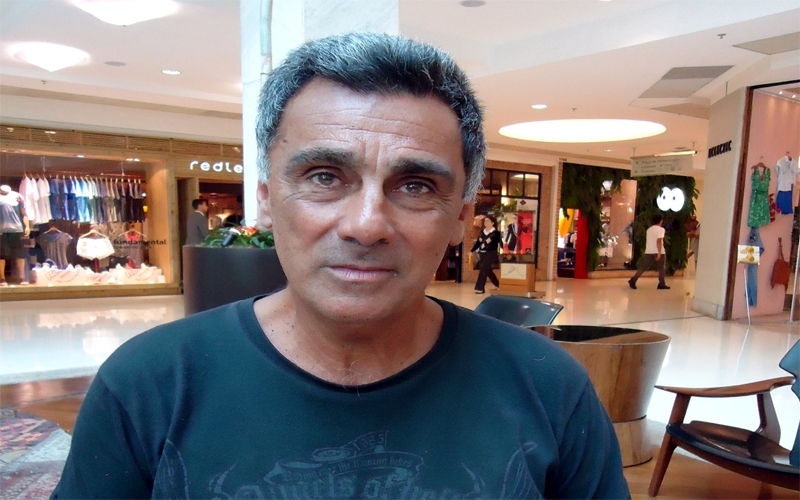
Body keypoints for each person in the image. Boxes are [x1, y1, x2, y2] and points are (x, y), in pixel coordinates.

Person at [52, 33, 629, 499]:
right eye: (325, 177)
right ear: (266, 200)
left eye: (416, 185)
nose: (366, 224)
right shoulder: (149, 384)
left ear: (460, 218)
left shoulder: (549, 388)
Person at [629, 214, 670, 290]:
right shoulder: (661, 230)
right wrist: (659, 253)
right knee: (661, 268)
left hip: (649, 250)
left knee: (644, 267)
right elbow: (659, 241)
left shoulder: (649, 230)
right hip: (658, 251)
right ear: (661, 221)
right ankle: (662, 284)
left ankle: (633, 279)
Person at [0, 184, 30, 286]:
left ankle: (22, 277)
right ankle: (2, 278)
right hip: (1, 230)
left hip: (16, 230)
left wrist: (27, 226)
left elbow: (24, 213)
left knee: (19, 254)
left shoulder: (17, 196)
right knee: (1, 255)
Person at [472, 215, 501, 294]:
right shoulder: (482, 232)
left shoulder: (496, 233)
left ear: (492, 223)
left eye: (488, 221)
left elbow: (501, 243)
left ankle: (480, 288)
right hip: (482, 253)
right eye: (485, 221)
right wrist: (472, 251)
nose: (485, 222)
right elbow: (478, 243)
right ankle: (498, 284)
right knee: (487, 270)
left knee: (483, 269)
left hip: (492, 253)